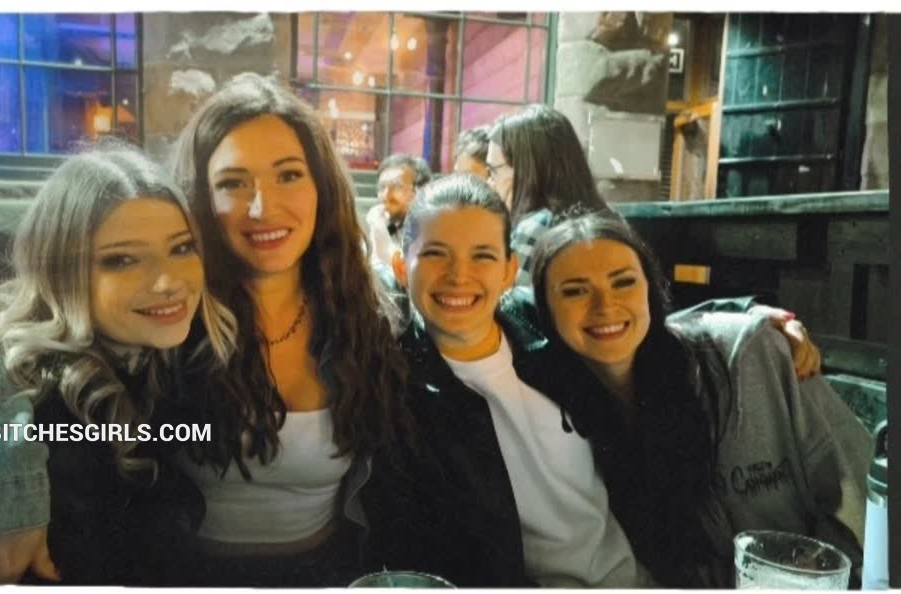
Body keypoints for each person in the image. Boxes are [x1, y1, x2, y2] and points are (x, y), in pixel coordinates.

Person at [366, 175, 821, 587]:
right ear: (402, 267)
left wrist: (752, 317)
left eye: (482, 255)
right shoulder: (396, 389)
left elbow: (632, 320)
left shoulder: (537, 323)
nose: (459, 276)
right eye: (435, 254)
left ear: (507, 270)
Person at [0, 143, 237, 585]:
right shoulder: (45, 416)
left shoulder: (151, 352)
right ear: (61, 272)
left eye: (182, 248)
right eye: (122, 260)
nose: (169, 281)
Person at [530, 210, 873, 587]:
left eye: (624, 282)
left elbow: (862, 494)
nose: (605, 306)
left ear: (650, 289)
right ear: (545, 308)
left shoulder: (749, 355)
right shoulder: (554, 414)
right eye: (575, 290)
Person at [166, 73, 412, 586]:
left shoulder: (367, 317)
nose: (263, 208)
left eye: (288, 175)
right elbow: (5, 339)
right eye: (233, 183)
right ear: (199, 199)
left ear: (321, 188)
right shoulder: (166, 314)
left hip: (329, 573)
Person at [486, 104, 608, 284]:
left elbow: (511, 299)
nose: (489, 183)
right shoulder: (605, 217)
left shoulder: (535, 228)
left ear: (525, 170)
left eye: (493, 171)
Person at [364, 153, 433, 269]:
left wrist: (383, 242)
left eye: (397, 186)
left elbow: (412, 275)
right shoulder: (379, 223)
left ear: (420, 191)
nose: (386, 195)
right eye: (382, 187)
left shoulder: (434, 232)